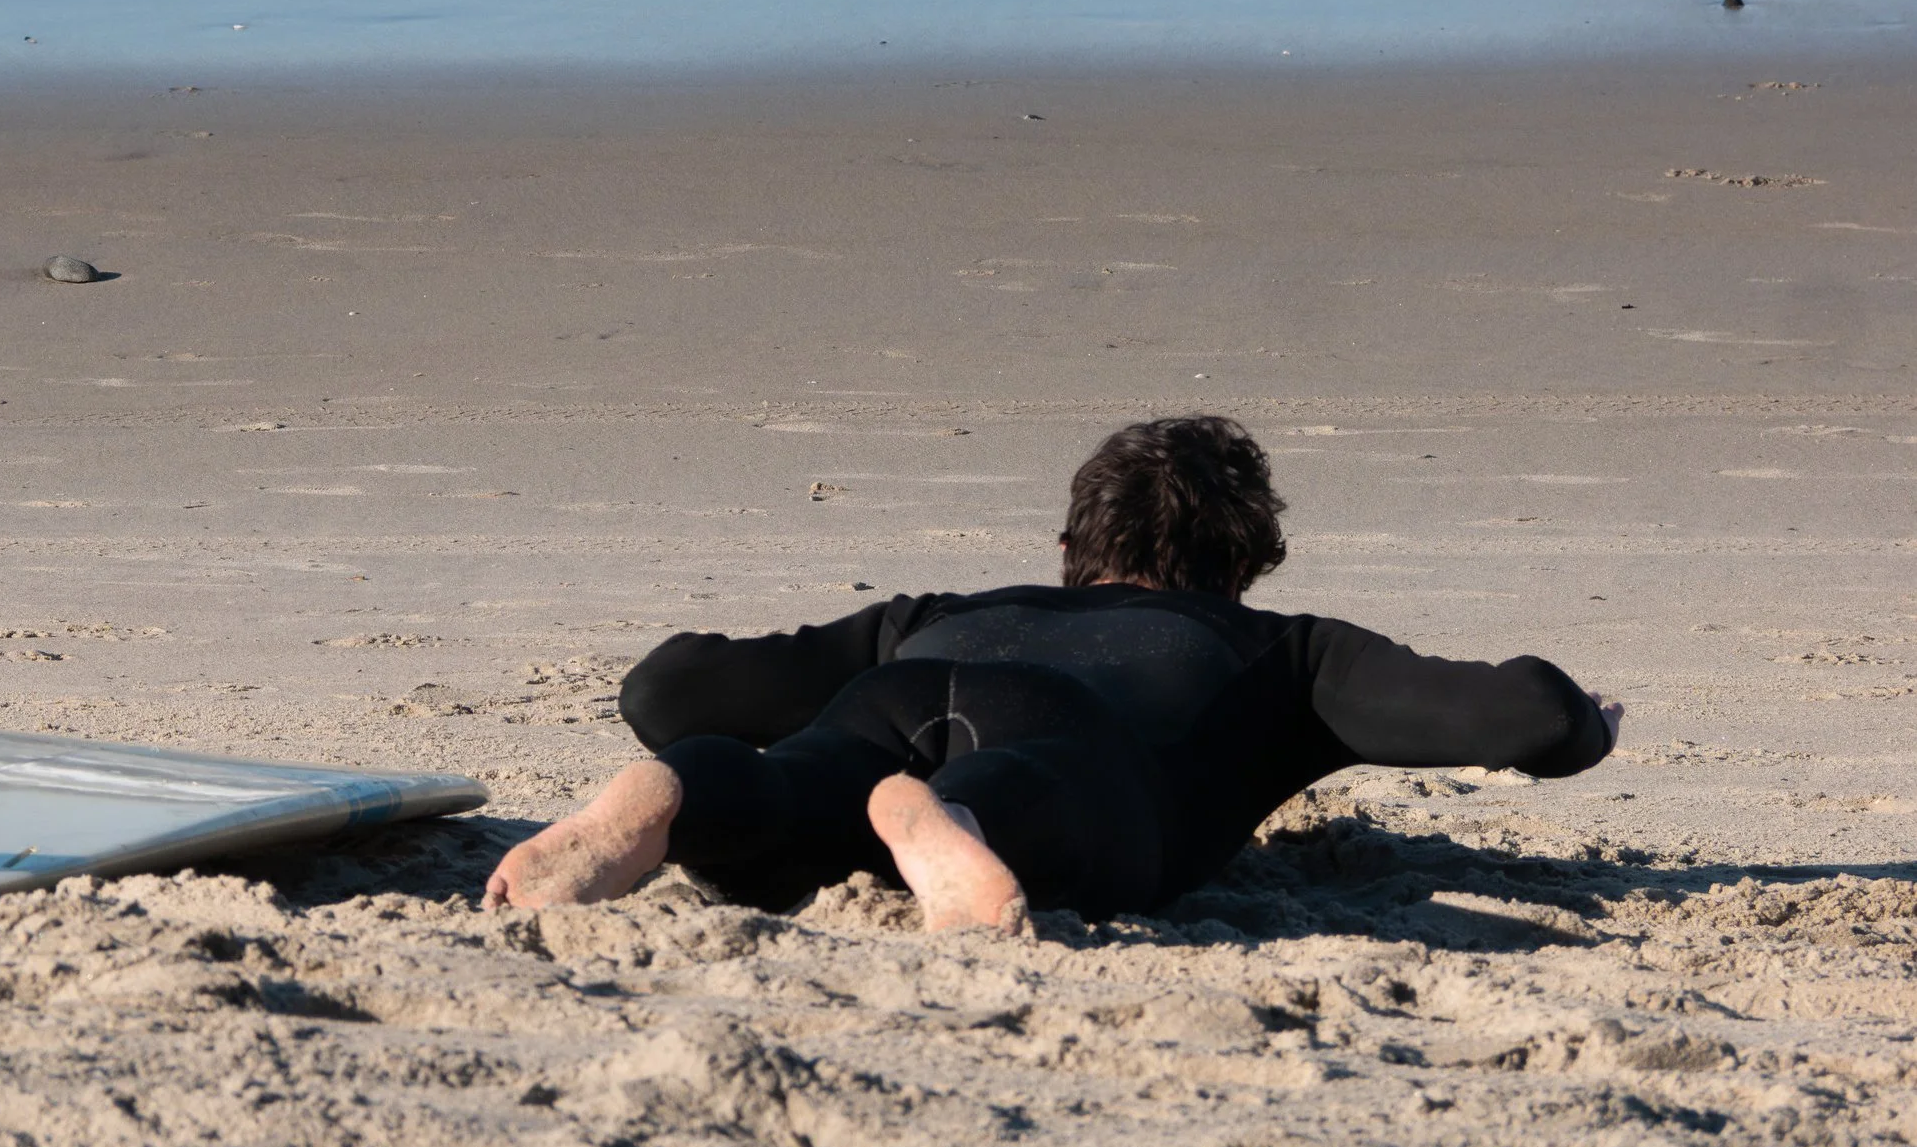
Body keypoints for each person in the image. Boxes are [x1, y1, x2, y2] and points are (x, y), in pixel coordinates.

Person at [484, 415, 1622, 931]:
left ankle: (672, 798)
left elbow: (666, 691)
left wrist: (687, 731)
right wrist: (1587, 724)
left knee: (796, 786)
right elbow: (1522, 716)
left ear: (1070, 551)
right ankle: (953, 821)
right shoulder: (1281, 652)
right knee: (1054, 796)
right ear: (1245, 569)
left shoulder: (936, 613)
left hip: (899, 688)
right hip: (1066, 735)